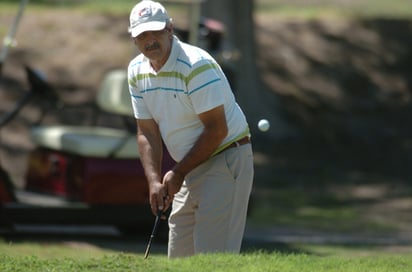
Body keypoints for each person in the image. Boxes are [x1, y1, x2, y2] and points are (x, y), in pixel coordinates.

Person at [127, 0, 254, 258]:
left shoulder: (196, 66)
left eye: (156, 32)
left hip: (224, 158)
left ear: (170, 29)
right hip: (189, 166)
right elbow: (147, 132)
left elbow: (216, 131)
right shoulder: (136, 71)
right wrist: (154, 181)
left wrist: (177, 172)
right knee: (180, 258)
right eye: (142, 35)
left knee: (211, 260)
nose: (150, 40)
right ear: (134, 39)